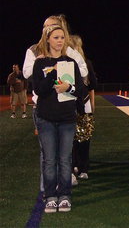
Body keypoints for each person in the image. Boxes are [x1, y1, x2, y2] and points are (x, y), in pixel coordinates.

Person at [22, 14, 88, 194]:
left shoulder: (68, 50)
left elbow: (83, 69)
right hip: (43, 106)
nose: (49, 29)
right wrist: (43, 64)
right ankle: (48, 189)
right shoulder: (34, 50)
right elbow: (27, 73)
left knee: (65, 153)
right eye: (46, 26)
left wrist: (67, 72)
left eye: (53, 26)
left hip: (65, 105)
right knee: (47, 154)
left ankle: (64, 186)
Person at [33, 25, 84, 213]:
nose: (60, 40)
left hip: (67, 119)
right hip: (46, 118)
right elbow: (39, 90)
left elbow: (80, 90)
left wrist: (68, 88)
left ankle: (64, 195)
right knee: (49, 160)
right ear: (48, 39)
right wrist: (54, 71)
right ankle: (50, 196)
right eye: (56, 37)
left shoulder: (71, 62)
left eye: (62, 37)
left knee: (64, 160)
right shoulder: (40, 64)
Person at [70, 34, 97, 182]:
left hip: (84, 103)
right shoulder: (63, 63)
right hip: (68, 104)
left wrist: (92, 104)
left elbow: (93, 85)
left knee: (84, 137)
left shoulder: (86, 63)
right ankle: (74, 166)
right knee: (70, 137)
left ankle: (83, 167)